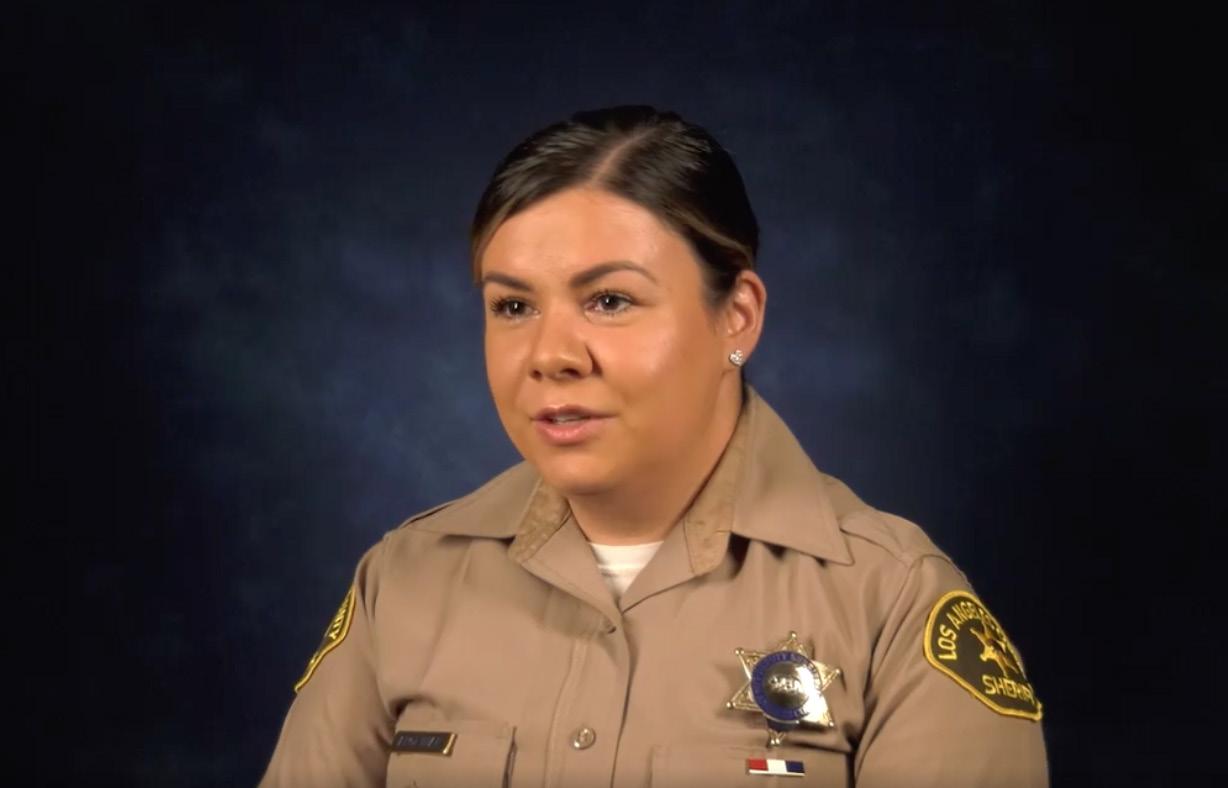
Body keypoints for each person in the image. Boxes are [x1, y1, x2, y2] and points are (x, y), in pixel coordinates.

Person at [260, 105, 1047, 787]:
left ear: (737, 316)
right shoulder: (404, 583)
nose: (550, 354)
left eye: (609, 300)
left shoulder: (894, 606)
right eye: (513, 307)